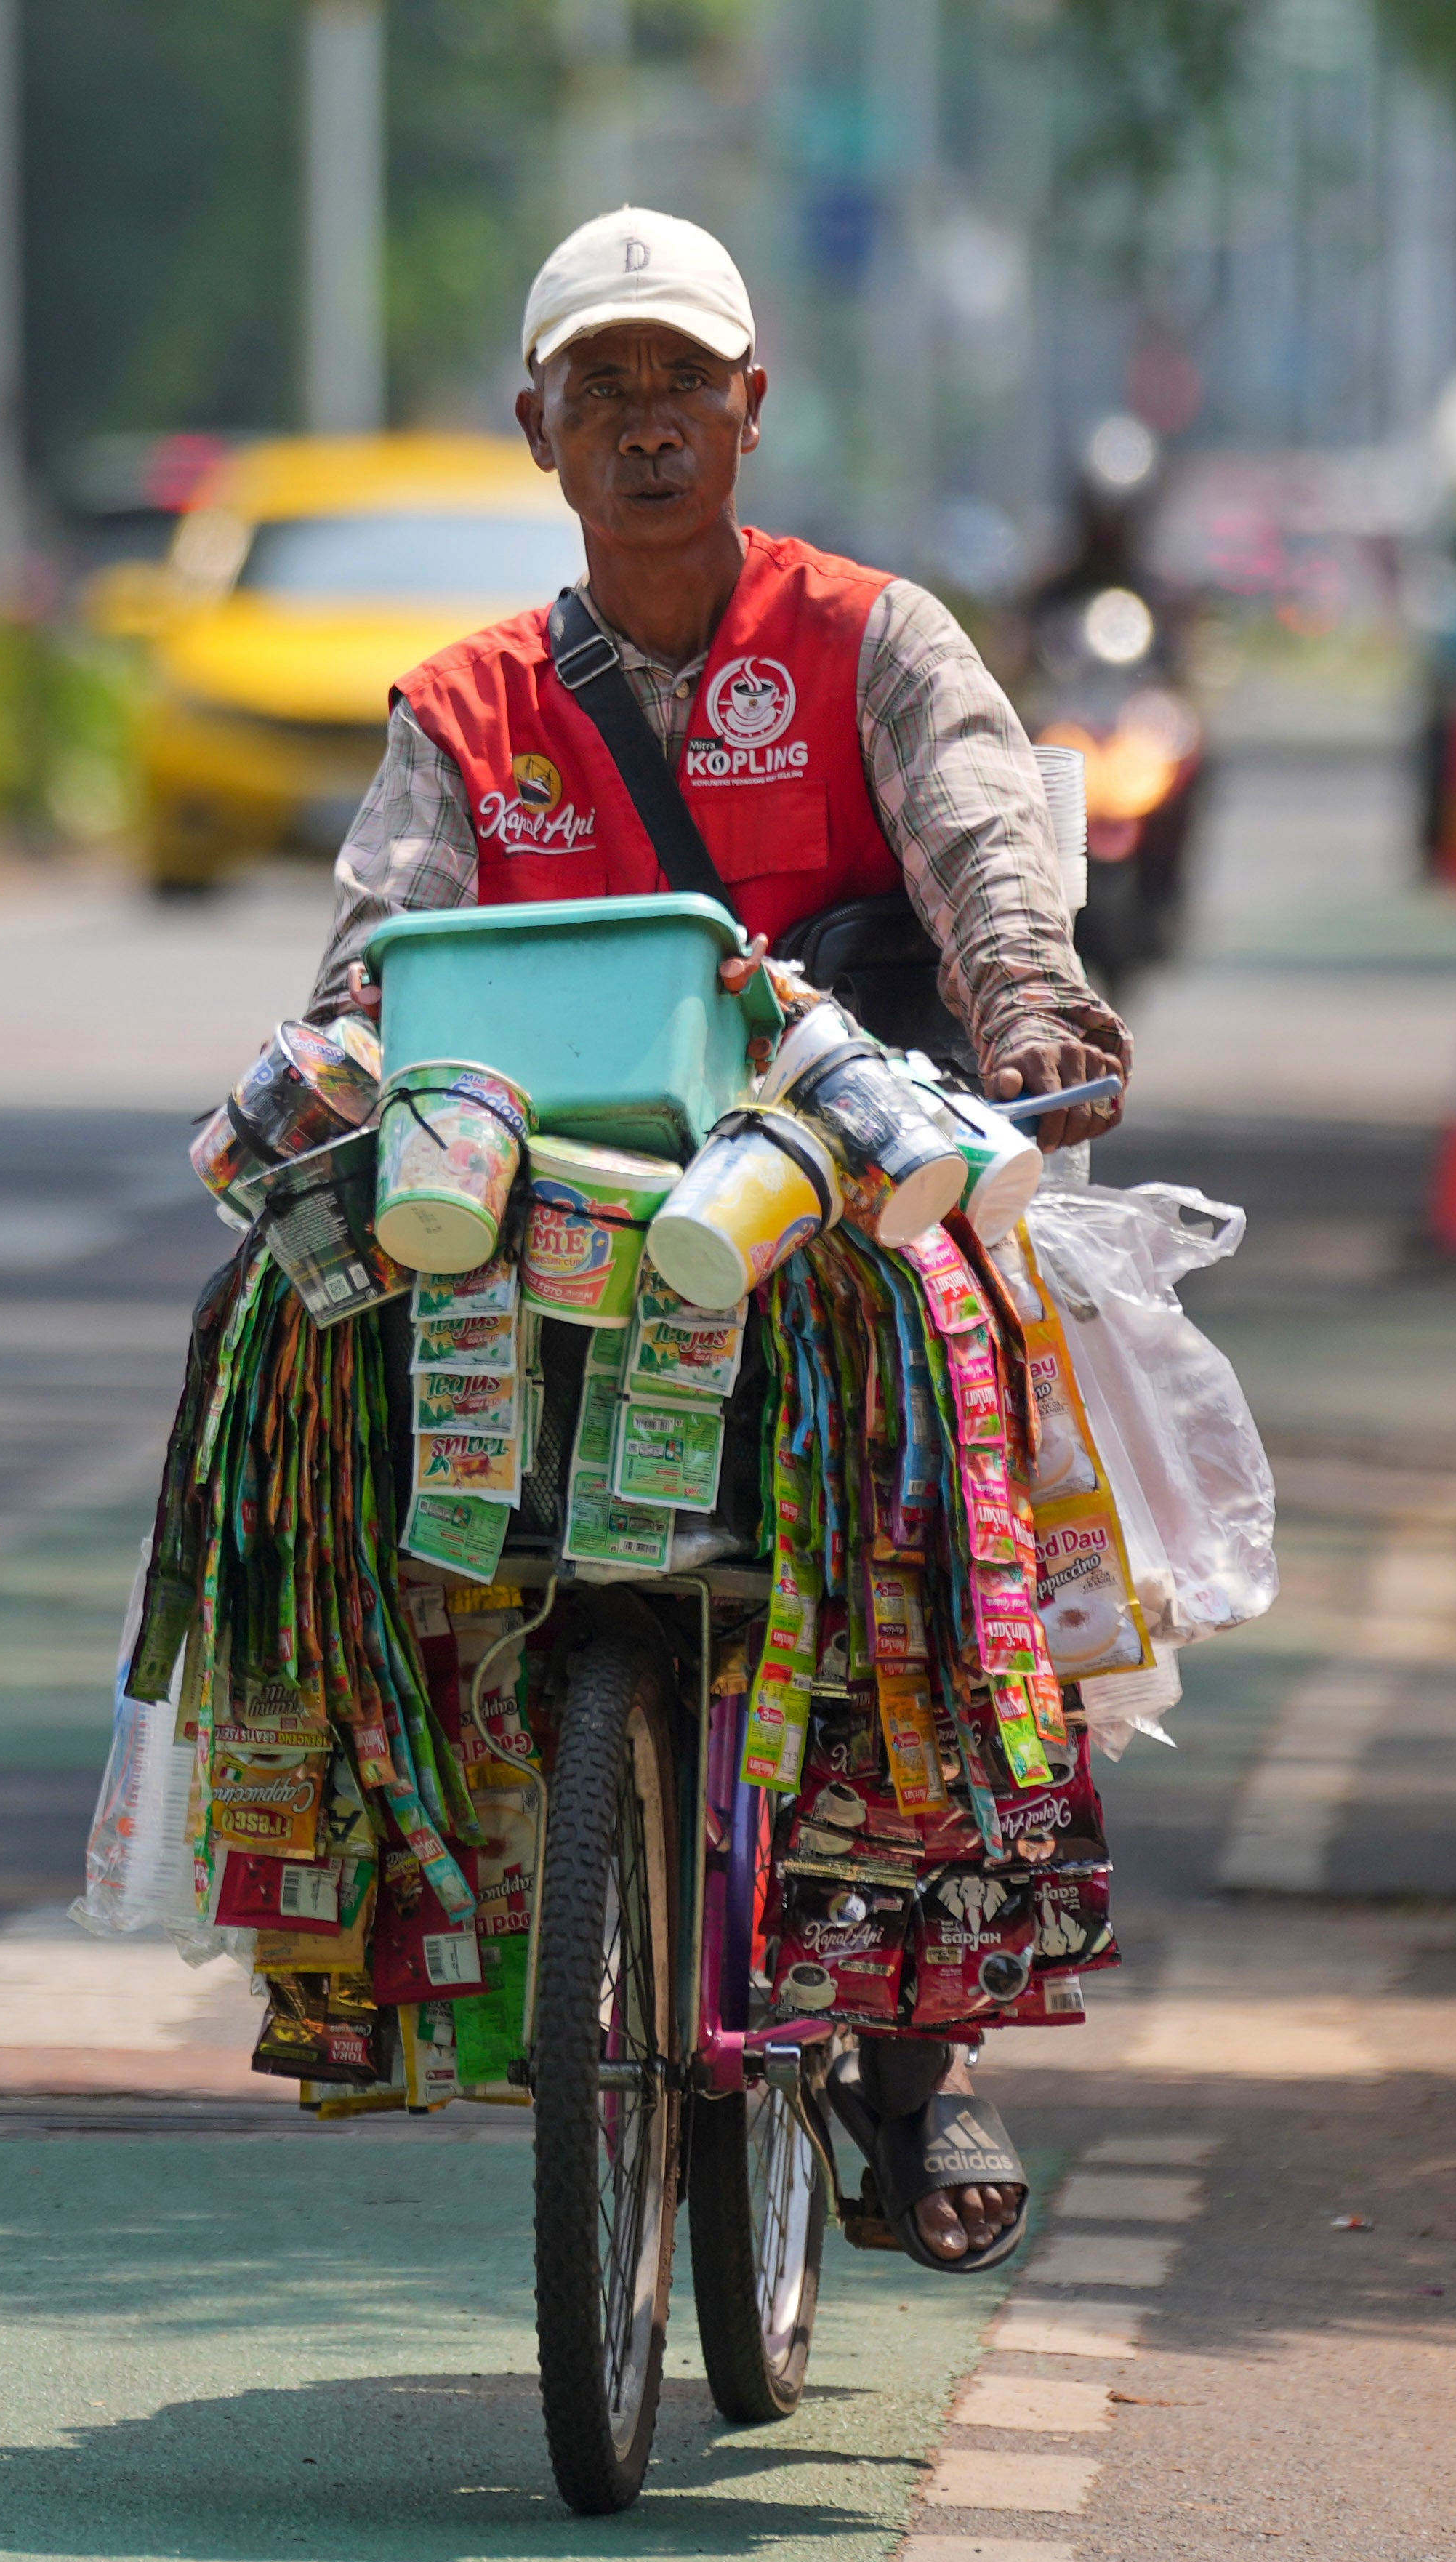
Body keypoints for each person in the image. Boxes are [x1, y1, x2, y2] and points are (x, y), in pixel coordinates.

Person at [309, 207, 1129, 2271]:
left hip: (829, 1219)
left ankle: (918, 2054)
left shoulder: (873, 638)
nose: (648, 425)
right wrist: (323, 1067)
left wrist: (1027, 1009)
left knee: (937, 1514)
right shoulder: (466, 702)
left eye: (683, 383)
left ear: (751, 409)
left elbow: (980, 847)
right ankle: (440, 1892)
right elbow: (370, 949)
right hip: (543, 1235)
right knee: (321, 1397)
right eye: (606, 391)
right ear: (538, 431)